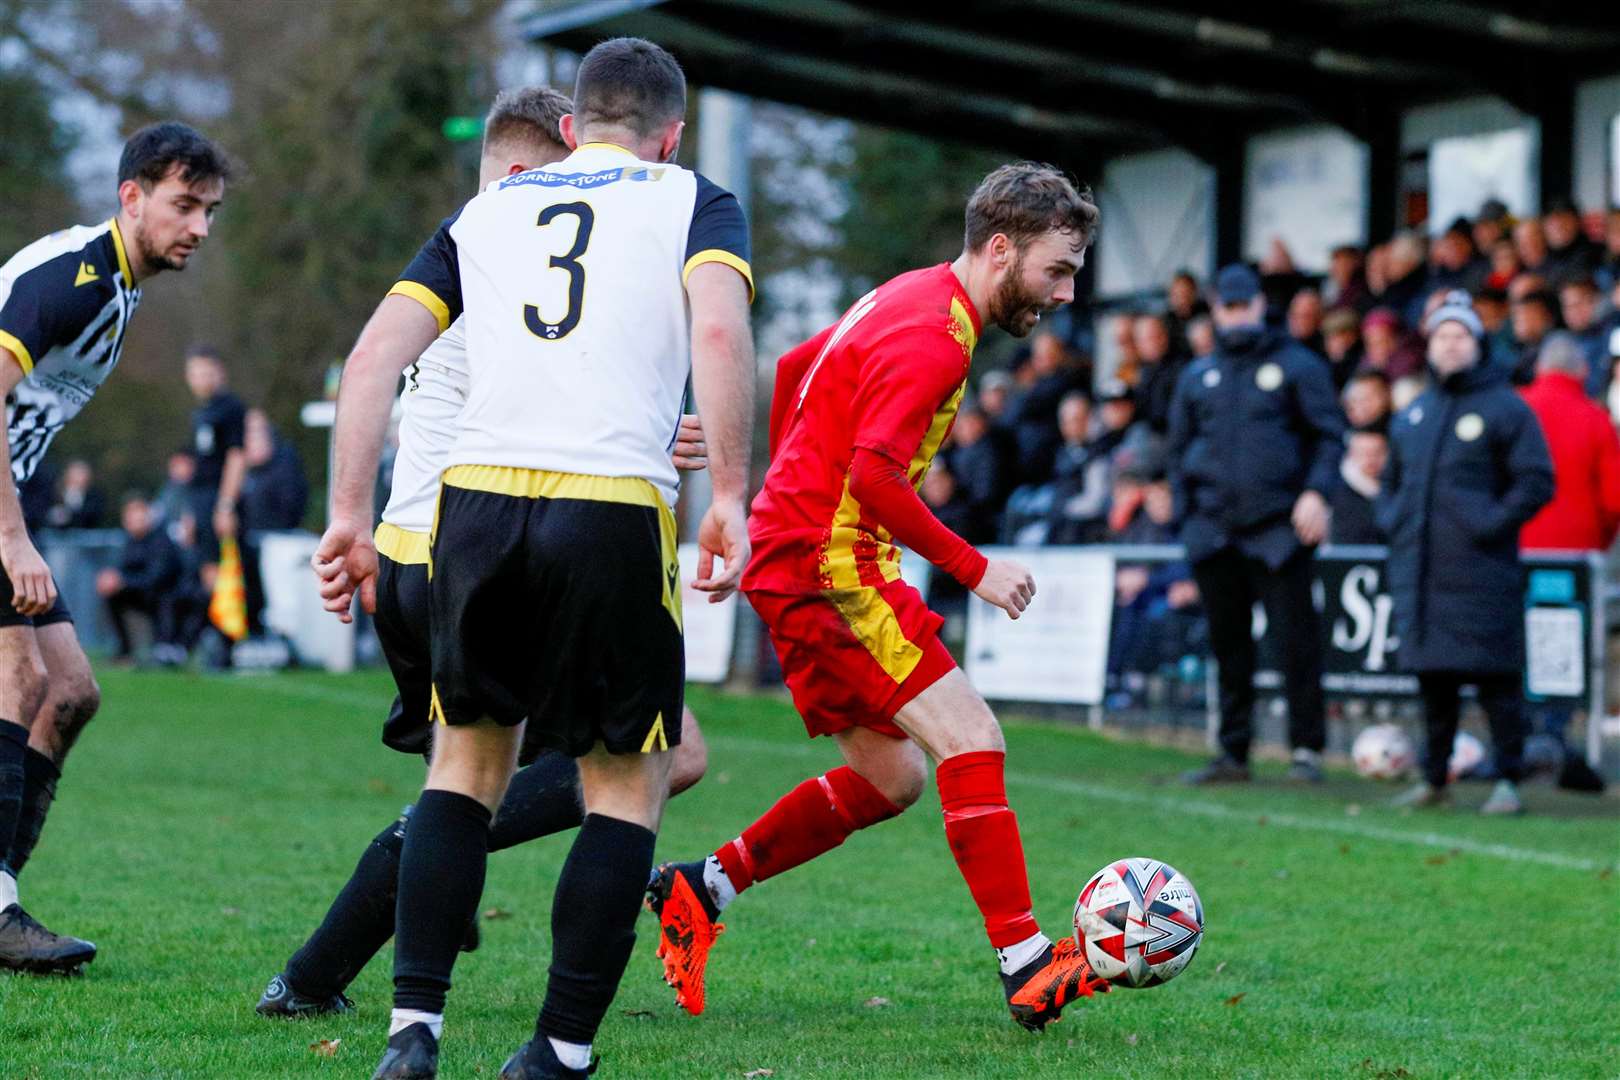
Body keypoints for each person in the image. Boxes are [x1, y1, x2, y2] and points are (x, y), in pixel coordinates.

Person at [311, 43, 757, 1079]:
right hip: (607, 505)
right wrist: (730, 491)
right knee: (626, 786)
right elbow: (722, 336)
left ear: (573, 127)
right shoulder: (695, 197)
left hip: (473, 511)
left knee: (461, 773)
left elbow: (374, 355)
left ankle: (410, 1036)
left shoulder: (490, 209)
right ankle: (556, 1052)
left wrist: (344, 512)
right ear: (671, 133)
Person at [646, 162, 1111, 1036]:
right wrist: (975, 567)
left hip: (806, 553)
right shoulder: (937, 338)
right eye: (1058, 269)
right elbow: (873, 473)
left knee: (892, 776)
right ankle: (1025, 962)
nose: (1067, 292)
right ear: (1001, 248)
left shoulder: (917, 293)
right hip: (835, 566)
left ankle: (699, 888)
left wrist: (773, 502)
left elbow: (796, 366)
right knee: (972, 737)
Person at [0, 121, 228, 973]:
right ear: (130, 196)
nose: (199, 227)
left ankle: (2, 890)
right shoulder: (78, 278)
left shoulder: (122, 287)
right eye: (183, 205)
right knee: (21, 680)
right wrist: (14, 535)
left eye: (209, 210)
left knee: (70, 694)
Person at [1168, 264, 1344, 785]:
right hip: (1214, 533)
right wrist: (1188, 520)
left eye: (1246, 305)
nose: (1237, 314)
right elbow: (1177, 453)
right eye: (1229, 306)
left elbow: (1329, 437)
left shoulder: (1299, 366)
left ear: (1262, 305)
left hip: (1280, 531)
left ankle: (1306, 751)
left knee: (1297, 643)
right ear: (1216, 310)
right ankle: (1233, 752)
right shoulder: (1197, 375)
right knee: (1228, 646)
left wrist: (1317, 493)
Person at [1378, 292, 1553, 814]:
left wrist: (1490, 524)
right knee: (1434, 685)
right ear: (1428, 345)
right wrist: (1396, 523)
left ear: (1477, 343)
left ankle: (1509, 781)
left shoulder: (1506, 407)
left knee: (1497, 682)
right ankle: (1435, 779)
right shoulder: (1413, 413)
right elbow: (1387, 484)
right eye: (1441, 336)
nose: (1450, 345)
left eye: (1460, 335)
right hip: (1421, 575)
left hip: (1483, 573)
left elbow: (1537, 481)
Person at [1518, 332, 1620, 793]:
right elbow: (1616, 498)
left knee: (1516, 643)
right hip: (1575, 557)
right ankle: (1552, 736)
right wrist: (1598, 540)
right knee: (1561, 647)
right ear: (1582, 371)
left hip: (1511, 550)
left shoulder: (1514, 409)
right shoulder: (1596, 419)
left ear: (1541, 368)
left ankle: (1521, 739)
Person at [182, 343, 247, 583]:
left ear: (219, 372)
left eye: (205, 373)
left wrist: (225, 505)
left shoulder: (231, 408)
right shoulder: (201, 412)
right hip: (201, 499)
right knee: (204, 566)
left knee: (224, 570)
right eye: (195, 374)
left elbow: (237, 457)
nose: (200, 380)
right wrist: (191, 512)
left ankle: (227, 621)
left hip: (217, 497)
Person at [95, 494, 183, 663]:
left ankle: (165, 648)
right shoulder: (129, 542)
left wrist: (123, 582)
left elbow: (157, 579)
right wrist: (111, 579)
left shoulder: (161, 541)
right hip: (142, 595)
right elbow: (122, 569)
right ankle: (125, 650)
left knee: (165, 598)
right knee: (112, 595)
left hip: (166, 596)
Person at [1328, 428, 1389, 545]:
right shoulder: (1339, 494)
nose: (1371, 461)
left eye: (1377, 453)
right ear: (1351, 456)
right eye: (1364, 454)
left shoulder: (1399, 491)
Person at [44, 460, 105, 529]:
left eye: (81, 474)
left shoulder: (94, 497)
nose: (78, 478)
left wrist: (69, 515)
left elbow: (93, 516)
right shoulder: (52, 493)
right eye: (75, 474)